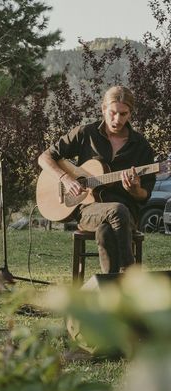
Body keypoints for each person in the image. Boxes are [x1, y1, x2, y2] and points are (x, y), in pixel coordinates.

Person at [37, 85, 155, 274]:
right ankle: (130, 275)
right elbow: (44, 158)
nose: (117, 119)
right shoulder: (86, 133)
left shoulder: (142, 147)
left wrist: (135, 189)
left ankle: (110, 291)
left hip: (127, 215)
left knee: (106, 230)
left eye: (123, 114)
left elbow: (144, 196)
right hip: (88, 210)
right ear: (103, 109)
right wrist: (66, 178)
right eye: (113, 113)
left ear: (130, 113)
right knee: (117, 209)